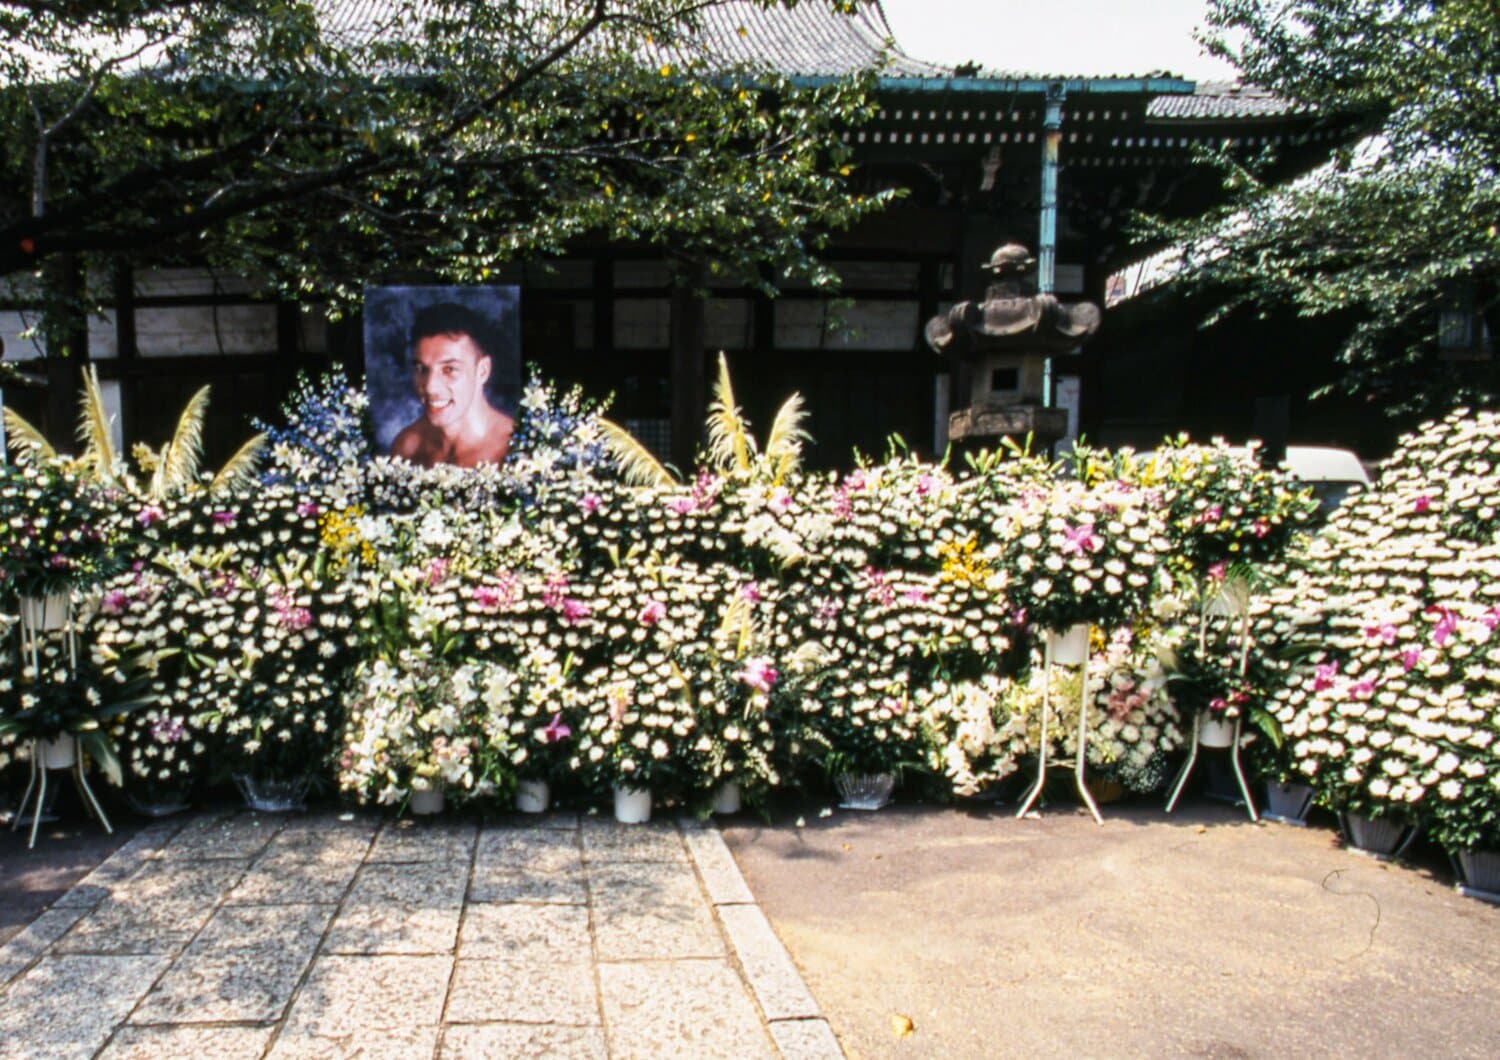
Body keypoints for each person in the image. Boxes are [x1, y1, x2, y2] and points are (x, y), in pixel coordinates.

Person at [390, 302, 515, 468]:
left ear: (483, 371)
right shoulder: (407, 448)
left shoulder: (513, 450)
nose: (430, 388)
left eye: (449, 369)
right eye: (421, 369)